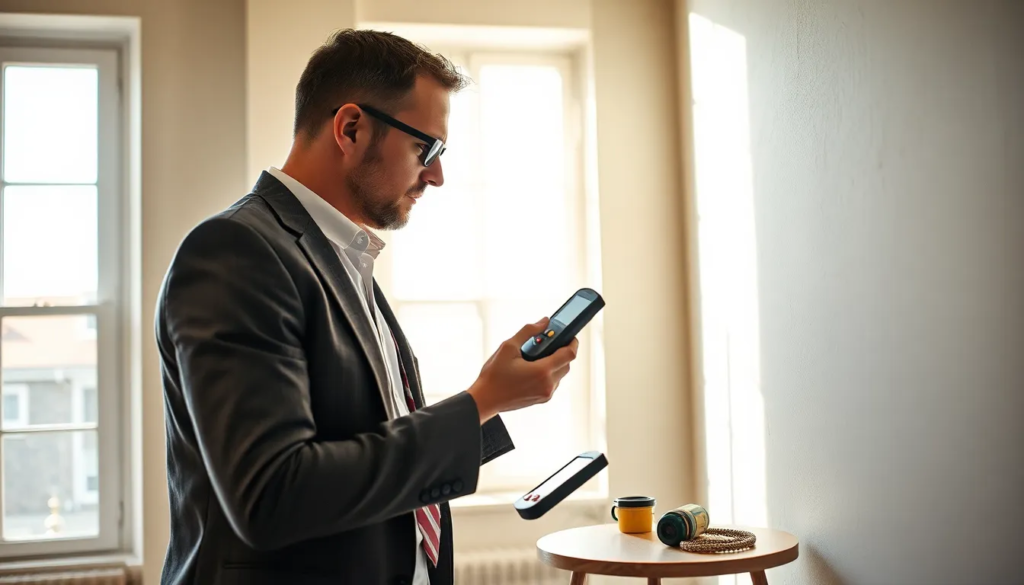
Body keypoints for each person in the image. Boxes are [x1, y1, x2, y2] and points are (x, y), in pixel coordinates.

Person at [154, 28, 580, 585]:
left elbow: (361, 442)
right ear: (351, 128)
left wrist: (493, 403)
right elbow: (272, 495)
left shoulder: (343, 256)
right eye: (426, 148)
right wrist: (478, 401)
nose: (437, 175)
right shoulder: (237, 252)